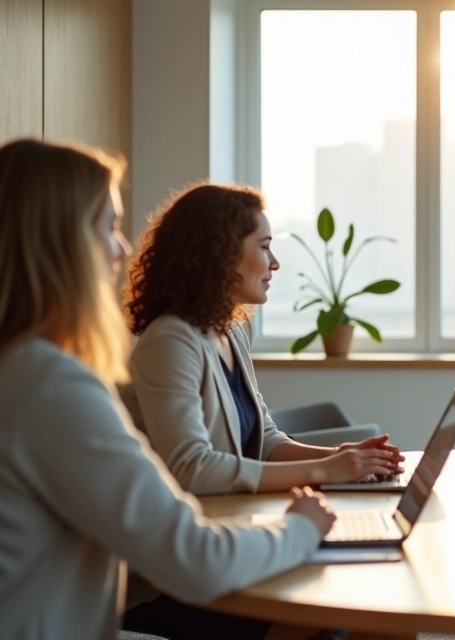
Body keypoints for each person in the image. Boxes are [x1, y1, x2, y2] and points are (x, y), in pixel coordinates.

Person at [0, 138, 336, 639]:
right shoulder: (53, 385)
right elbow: (195, 558)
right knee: (321, 615)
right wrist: (302, 527)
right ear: (59, 241)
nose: (122, 249)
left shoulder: (23, 371)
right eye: (108, 227)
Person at [121, 183, 403, 496]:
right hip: (191, 529)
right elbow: (191, 469)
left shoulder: (232, 330)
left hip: (232, 514)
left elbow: (264, 440)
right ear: (222, 253)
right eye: (264, 245)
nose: (274, 262)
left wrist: (338, 456)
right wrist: (324, 470)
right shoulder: (169, 342)